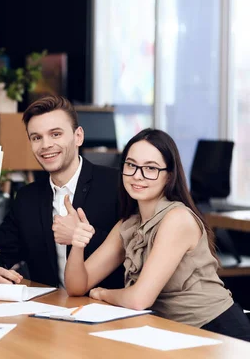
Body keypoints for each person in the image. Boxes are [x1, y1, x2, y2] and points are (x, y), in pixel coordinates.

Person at [65, 128, 250, 341]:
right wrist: (77, 243)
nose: (137, 176)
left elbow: (138, 299)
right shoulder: (129, 225)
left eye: (150, 168)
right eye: (131, 165)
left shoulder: (176, 219)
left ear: (169, 175)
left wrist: (102, 293)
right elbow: (76, 286)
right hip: (174, 332)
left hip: (218, 331)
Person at [0, 96, 123, 289]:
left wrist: (81, 237)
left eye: (56, 134)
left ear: (78, 137)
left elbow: (135, 251)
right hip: (48, 309)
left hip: (108, 308)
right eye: (36, 138)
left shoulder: (116, 184)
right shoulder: (27, 198)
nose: (46, 145)